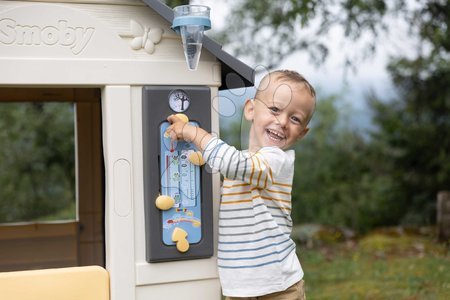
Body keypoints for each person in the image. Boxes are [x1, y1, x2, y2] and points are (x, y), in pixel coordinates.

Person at [166, 70, 316, 299]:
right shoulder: (239, 163)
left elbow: (234, 163)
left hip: (278, 284)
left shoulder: (277, 161)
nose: (283, 122)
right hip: (239, 287)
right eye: (275, 109)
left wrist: (193, 133)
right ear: (251, 109)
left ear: (302, 133)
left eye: (295, 118)